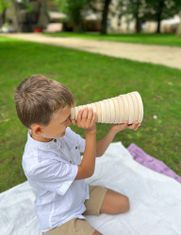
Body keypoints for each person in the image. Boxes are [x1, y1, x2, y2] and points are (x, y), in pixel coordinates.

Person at [14, 74, 140, 235]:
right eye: (66, 119)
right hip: (60, 217)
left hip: (78, 194)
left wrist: (115, 129)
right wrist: (90, 131)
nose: (71, 121)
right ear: (38, 129)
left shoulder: (59, 131)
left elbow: (97, 151)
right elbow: (87, 171)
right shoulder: (37, 164)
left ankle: (80, 209)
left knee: (122, 204)